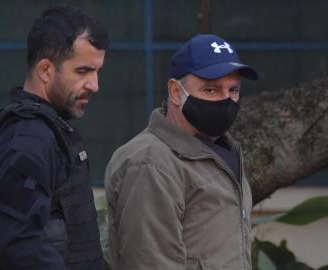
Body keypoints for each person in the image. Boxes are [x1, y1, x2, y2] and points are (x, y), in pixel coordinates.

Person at [0, 5, 108, 270]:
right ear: (45, 70)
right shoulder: (26, 140)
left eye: (97, 71)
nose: (94, 85)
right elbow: (20, 251)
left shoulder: (47, 132)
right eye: (83, 71)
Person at [105, 34, 258, 270]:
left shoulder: (224, 150)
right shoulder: (151, 162)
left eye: (233, 90)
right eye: (210, 90)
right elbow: (149, 263)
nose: (225, 100)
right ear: (176, 92)